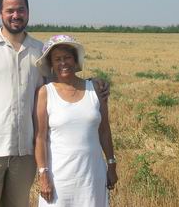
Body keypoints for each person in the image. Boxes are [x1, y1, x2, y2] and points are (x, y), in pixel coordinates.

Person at [0, 0, 110, 207]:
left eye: (21, 9)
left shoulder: (40, 51)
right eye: (10, 10)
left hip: (25, 155)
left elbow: (62, 82)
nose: (16, 15)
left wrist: (93, 83)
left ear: (28, 11)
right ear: (0, 13)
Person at [34, 35, 118, 206]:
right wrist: (43, 175)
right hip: (59, 179)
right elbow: (40, 138)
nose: (63, 63)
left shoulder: (95, 89)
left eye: (67, 57)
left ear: (75, 60)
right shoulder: (45, 93)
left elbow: (104, 131)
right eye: (57, 59)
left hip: (92, 176)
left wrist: (111, 164)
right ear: (51, 65)